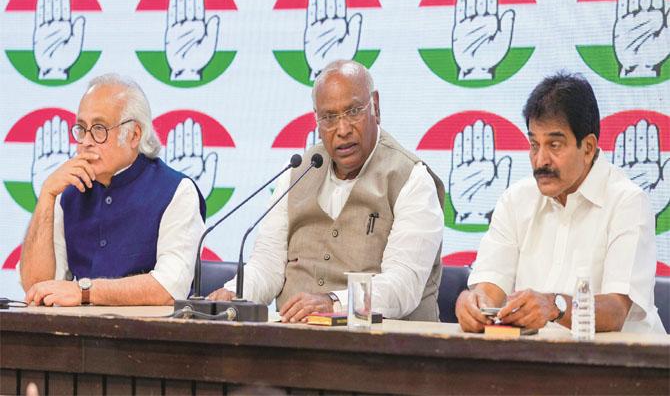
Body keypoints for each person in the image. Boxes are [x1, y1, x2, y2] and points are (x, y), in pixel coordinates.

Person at [208, 60, 445, 322]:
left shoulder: (411, 178)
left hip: (381, 349)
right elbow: (267, 264)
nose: (342, 130)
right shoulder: (298, 171)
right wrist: (234, 294)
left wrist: (334, 303)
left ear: (375, 106)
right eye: (329, 118)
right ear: (317, 120)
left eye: (353, 111)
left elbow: (403, 285)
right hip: (293, 345)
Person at [456, 72, 664, 333]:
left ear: (587, 148)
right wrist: (475, 304)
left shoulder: (628, 202)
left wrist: (554, 306)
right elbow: (490, 285)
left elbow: (615, 311)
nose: (540, 160)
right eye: (534, 144)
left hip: (620, 366)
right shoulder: (515, 200)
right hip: (536, 363)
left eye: (554, 145)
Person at [20, 74, 206, 306]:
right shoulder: (69, 191)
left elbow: (169, 288)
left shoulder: (176, 191)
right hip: (77, 335)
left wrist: (84, 291)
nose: (86, 141)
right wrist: (47, 195)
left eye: (99, 128)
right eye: (81, 129)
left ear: (134, 135)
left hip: (149, 337)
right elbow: (37, 287)